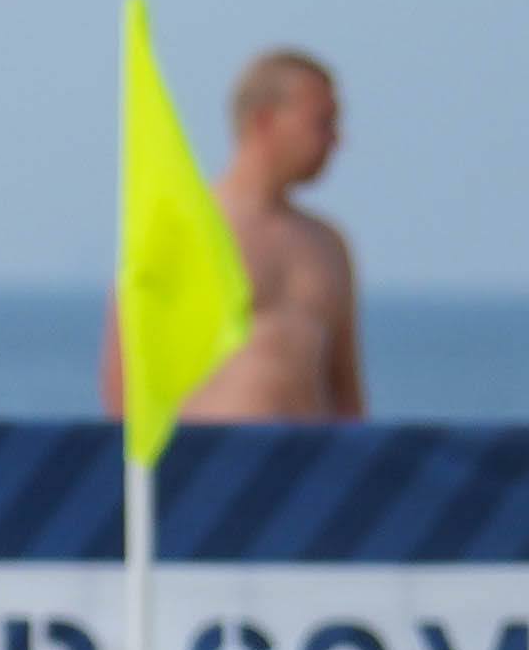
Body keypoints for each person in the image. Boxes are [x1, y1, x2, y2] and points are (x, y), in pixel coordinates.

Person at [97, 48, 365, 422]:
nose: (335, 140)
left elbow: (346, 392)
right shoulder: (178, 230)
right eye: (322, 123)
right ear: (265, 121)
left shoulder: (328, 245)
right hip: (208, 466)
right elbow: (125, 384)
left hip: (308, 469)